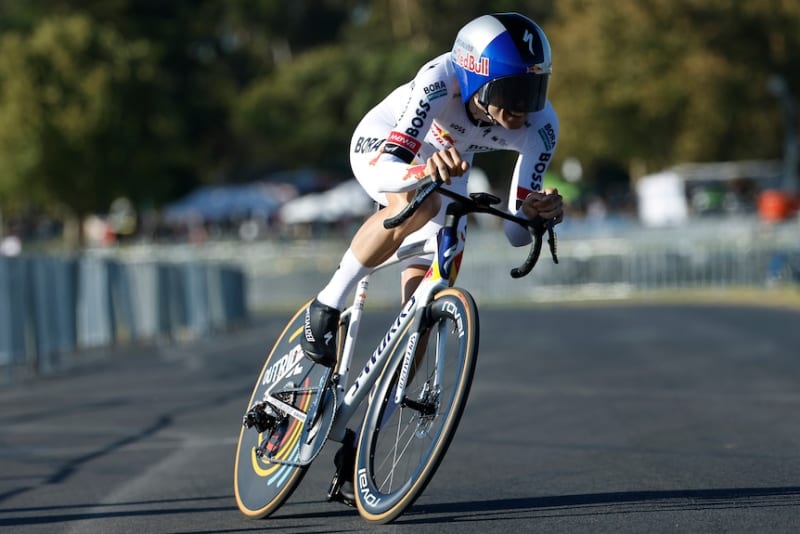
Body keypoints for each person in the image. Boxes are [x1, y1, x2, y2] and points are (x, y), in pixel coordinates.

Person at [302, 12, 564, 367]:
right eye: (511, 91)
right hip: (387, 146)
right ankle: (326, 303)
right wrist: (425, 170)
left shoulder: (542, 126)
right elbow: (386, 171)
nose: (522, 107)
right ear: (474, 78)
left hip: (448, 164)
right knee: (421, 204)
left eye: (533, 91)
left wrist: (533, 214)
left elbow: (515, 233)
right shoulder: (438, 81)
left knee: (432, 291)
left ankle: (380, 410)